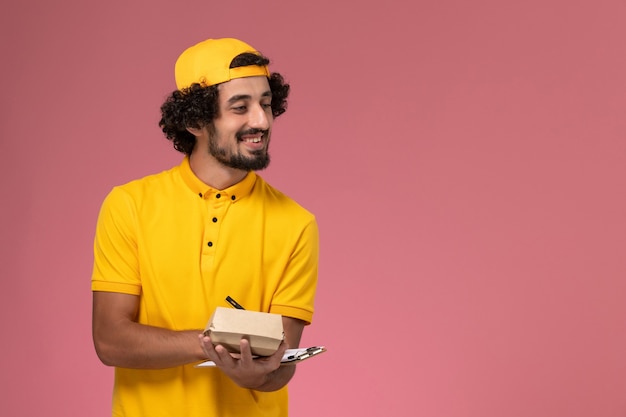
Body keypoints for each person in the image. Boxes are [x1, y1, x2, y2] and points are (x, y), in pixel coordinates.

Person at [91, 37, 319, 417]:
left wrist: (255, 374)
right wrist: (211, 343)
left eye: (265, 104)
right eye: (240, 107)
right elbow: (110, 340)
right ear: (195, 120)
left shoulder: (296, 223)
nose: (261, 121)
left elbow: (281, 363)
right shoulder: (129, 205)